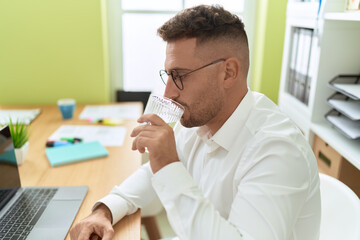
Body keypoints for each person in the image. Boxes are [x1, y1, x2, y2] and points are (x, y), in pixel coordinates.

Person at [70, 5, 321, 240]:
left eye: (179, 76)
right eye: (168, 75)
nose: (168, 93)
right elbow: (153, 173)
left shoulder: (277, 149)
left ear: (228, 73)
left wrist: (168, 164)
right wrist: (105, 210)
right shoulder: (203, 120)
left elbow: (167, 169)